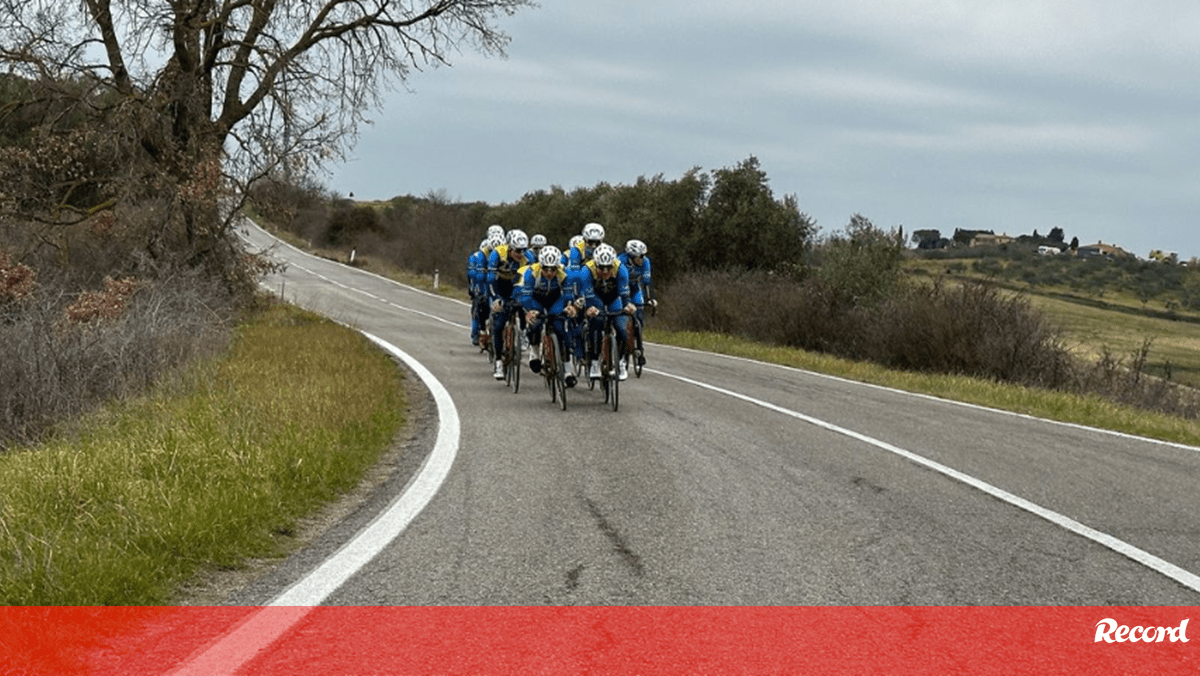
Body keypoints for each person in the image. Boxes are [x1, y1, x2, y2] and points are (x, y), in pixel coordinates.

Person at [519, 245, 578, 388]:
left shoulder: (565, 272)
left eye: (553, 269)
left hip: (555, 300)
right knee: (535, 324)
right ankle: (534, 354)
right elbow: (525, 297)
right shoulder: (531, 273)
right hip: (536, 300)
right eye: (546, 269)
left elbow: (568, 294)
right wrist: (530, 311)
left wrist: (569, 306)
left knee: (561, 329)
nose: (549, 272)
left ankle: (568, 371)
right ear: (541, 266)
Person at [577, 243, 636, 381]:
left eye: (608, 267)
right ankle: (594, 362)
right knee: (596, 323)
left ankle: (621, 362)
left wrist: (627, 305)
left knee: (622, 329)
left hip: (613, 298)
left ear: (613, 265)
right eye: (601, 268)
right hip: (595, 297)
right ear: (595, 264)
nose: (604, 271)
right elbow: (588, 295)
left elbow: (624, 293)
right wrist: (589, 308)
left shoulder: (621, 269)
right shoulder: (586, 271)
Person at [487, 229, 533, 379]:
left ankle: (523, 334)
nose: (520, 254)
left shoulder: (529, 258)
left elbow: (531, 280)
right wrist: (495, 298)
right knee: (499, 324)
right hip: (500, 286)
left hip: (517, 285)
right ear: (510, 248)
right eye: (517, 251)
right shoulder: (497, 254)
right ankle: (498, 362)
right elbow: (490, 279)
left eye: (523, 250)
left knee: (525, 308)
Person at [618, 239, 655, 366]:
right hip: (620, 291)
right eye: (640, 256)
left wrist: (650, 298)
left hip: (634, 290)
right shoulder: (620, 261)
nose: (642, 259)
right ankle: (620, 351)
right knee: (621, 322)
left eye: (644, 256)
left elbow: (647, 282)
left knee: (639, 318)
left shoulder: (645, 262)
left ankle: (639, 349)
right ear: (631, 256)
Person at [467, 238, 492, 347]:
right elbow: (471, 274)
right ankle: (475, 334)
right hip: (479, 288)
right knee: (477, 310)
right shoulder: (476, 257)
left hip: (491, 288)